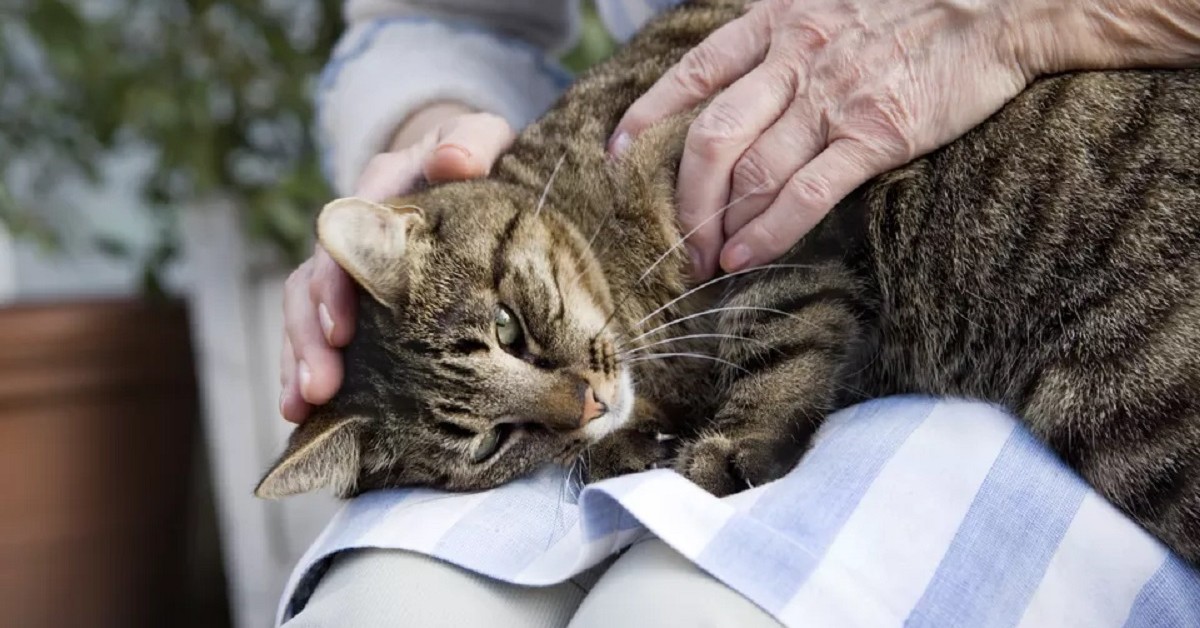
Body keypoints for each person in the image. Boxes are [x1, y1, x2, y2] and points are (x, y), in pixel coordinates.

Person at [279, 1, 1200, 626]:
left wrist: (1023, 19)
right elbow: (436, 16)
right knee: (382, 607)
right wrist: (431, 150)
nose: (574, 406)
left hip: (1083, 182)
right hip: (819, 324)